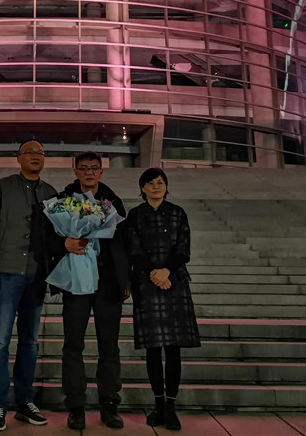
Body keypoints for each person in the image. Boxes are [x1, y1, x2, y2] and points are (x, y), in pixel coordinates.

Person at [0, 139, 84, 432]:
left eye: (40, 153)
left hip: (36, 277)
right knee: (0, 342)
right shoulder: (1, 188)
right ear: (19, 158)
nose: (36, 157)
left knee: (29, 342)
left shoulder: (51, 194)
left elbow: (57, 235)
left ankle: (25, 402)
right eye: (30, 152)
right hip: (5, 275)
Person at [56, 152, 128, 431]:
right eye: (84, 168)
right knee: (73, 344)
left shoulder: (114, 201)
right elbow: (51, 235)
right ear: (75, 171)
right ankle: (75, 406)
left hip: (108, 282)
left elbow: (123, 244)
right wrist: (64, 243)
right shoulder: (64, 200)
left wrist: (125, 279)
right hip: (77, 280)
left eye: (94, 168)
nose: (89, 172)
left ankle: (109, 404)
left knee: (109, 345)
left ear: (101, 172)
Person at [125, 168, 201, 432]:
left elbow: (183, 248)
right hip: (146, 283)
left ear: (166, 187)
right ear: (142, 188)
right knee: (153, 348)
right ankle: (158, 404)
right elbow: (133, 250)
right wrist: (154, 274)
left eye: (160, 182)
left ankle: (170, 406)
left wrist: (166, 270)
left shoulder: (178, 213)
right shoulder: (135, 215)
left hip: (174, 282)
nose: (156, 186)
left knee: (173, 348)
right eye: (150, 183)